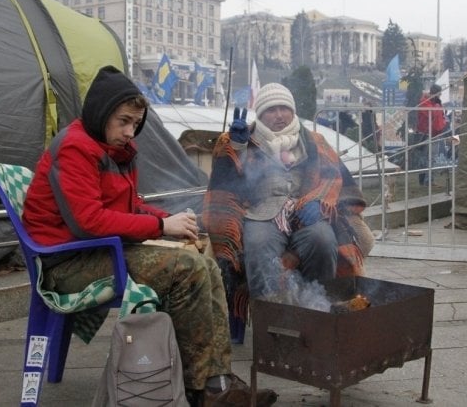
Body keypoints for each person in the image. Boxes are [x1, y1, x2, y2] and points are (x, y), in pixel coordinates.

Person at [21, 66, 277, 407]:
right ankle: (203, 388)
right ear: (101, 114)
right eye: (123, 121)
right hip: (66, 263)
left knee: (205, 263)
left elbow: (129, 206)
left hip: (94, 251)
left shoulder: (110, 148)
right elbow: (88, 222)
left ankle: (216, 381)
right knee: (186, 269)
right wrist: (161, 228)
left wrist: (170, 219)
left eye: (135, 124)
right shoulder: (76, 148)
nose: (130, 132)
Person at [202, 83, 372, 321]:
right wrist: (238, 148)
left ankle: (318, 312)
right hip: (261, 213)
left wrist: (320, 200)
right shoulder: (243, 139)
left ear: (293, 112)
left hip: (307, 211)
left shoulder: (314, 140)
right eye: (271, 109)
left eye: (284, 108)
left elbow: (335, 177)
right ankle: (271, 320)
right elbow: (228, 184)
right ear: (260, 114)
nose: (279, 115)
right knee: (259, 246)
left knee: (322, 240)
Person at [415, 83, 450, 186]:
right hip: (425, 134)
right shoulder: (424, 102)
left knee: (431, 157)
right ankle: (426, 180)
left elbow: (440, 116)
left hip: (435, 133)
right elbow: (433, 114)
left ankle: (428, 180)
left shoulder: (433, 103)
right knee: (426, 158)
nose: (440, 96)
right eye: (439, 94)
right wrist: (438, 105)